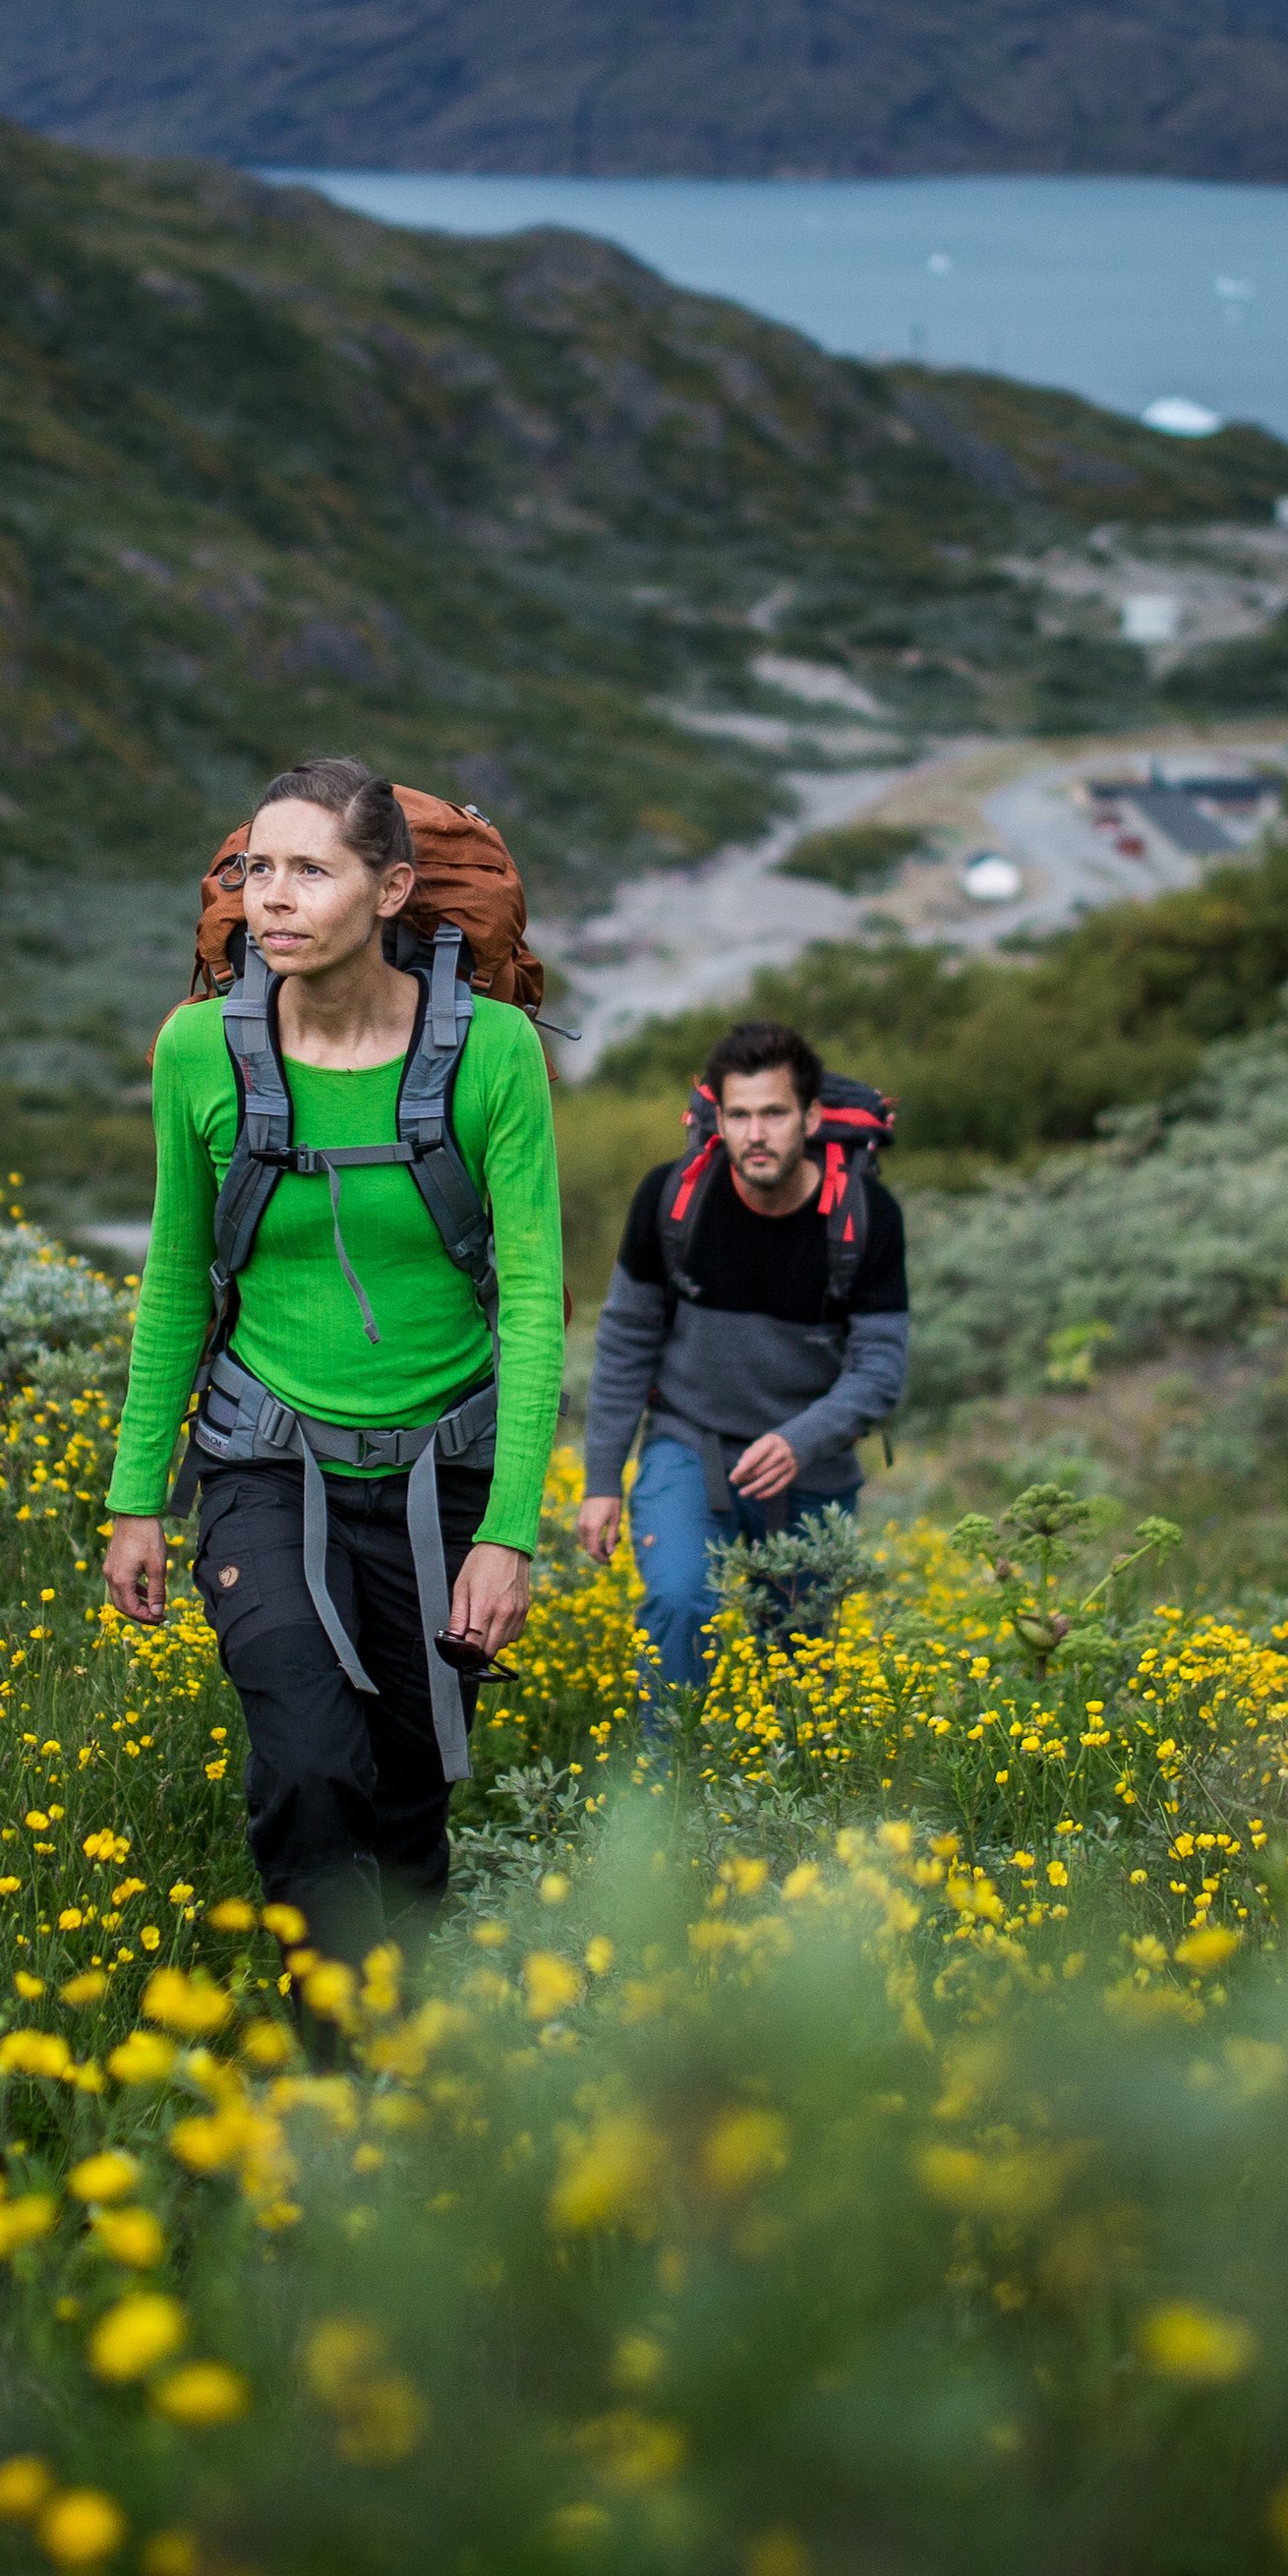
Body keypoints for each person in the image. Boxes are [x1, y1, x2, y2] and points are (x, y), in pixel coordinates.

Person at [99, 761, 561, 1978]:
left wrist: (511, 1531)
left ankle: (395, 2091)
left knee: (410, 1813)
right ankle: (330, 2065)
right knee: (311, 1770)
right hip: (262, 1461)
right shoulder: (200, 1050)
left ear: (392, 886)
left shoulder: (495, 1051)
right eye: (257, 868)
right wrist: (136, 1495)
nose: (272, 899)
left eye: (311, 869)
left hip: (443, 1484)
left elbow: (534, 1308)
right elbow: (174, 1281)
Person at [574, 1020, 910, 1740]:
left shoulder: (866, 1216)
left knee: (797, 1665)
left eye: (775, 1113)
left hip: (812, 1470)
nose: (757, 1133)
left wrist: (800, 1440)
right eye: (740, 1115)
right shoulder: (672, 1199)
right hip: (688, 1445)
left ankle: (780, 1824)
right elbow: (626, 1341)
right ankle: (665, 1803)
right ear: (717, 1119)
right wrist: (602, 1479)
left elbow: (880, 1371)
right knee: (679, 1603)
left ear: (811, 1118)